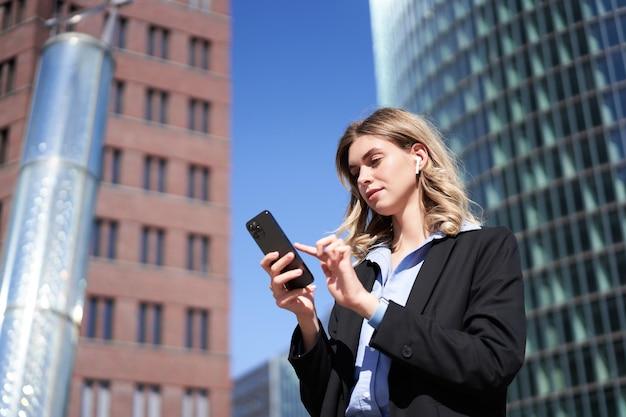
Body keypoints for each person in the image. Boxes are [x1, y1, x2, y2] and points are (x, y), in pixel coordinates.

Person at [261, 107, 526, 417]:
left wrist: (371, 308)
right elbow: (327, 402)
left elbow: (493, 363)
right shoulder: (359, 277)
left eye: (374, 161)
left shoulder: (485, 249)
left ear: (418, 157)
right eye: (356, 172)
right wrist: (306, 319)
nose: (363, 178)